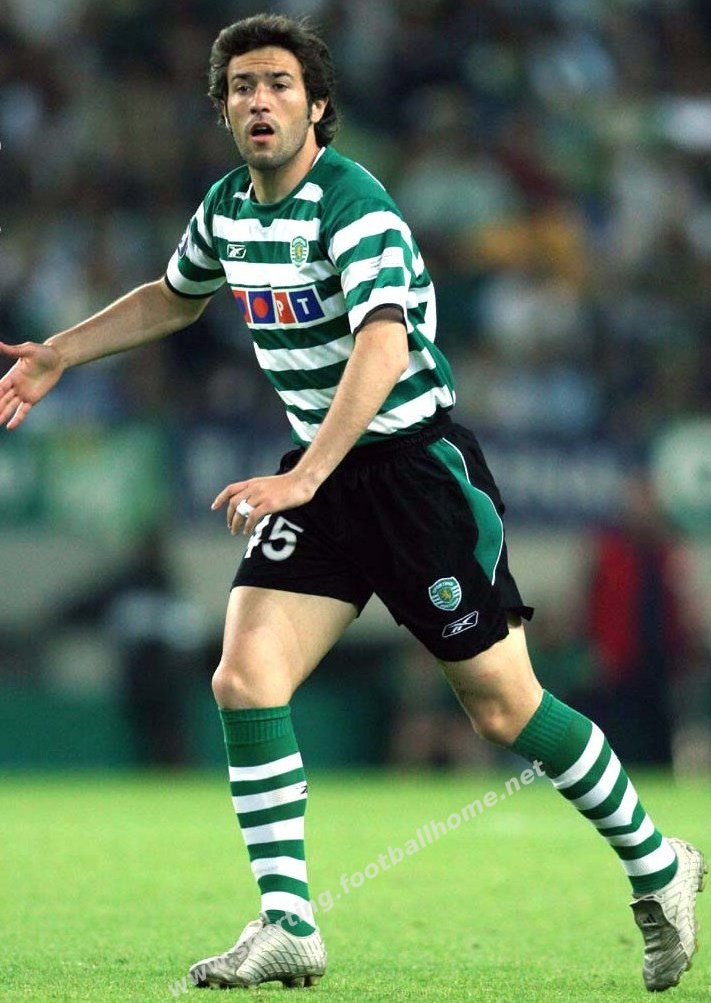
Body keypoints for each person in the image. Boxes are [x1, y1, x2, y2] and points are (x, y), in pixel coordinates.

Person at [0, 13, 705, 994]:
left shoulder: (354, 205)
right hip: (323, 478)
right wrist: (60, 354)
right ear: (222, 109)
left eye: (278, 84)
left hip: (416, 476)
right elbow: (175, 292)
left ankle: (659, 861)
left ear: (317, 105)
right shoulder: (227, 210)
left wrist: (302, 476)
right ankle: (289, 922)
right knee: (245, 675)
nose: (259, 100)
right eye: (241, 86)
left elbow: (383, 344)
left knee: (503, 708)